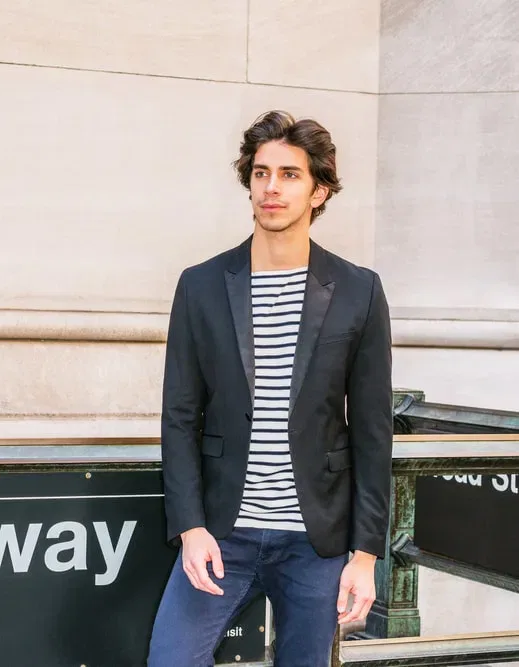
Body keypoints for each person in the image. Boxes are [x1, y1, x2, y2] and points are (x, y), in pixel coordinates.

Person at [148, 110, 393, 667]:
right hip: (220, 533)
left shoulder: (359, 291)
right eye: (261, 173)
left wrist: (365, 554)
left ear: (319, 190)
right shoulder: (203, 285)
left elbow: (374, 433)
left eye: (289, 174)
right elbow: (180, 415)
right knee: (171, 659)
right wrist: (190, 526)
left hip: (317, 541)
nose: (271, 188)